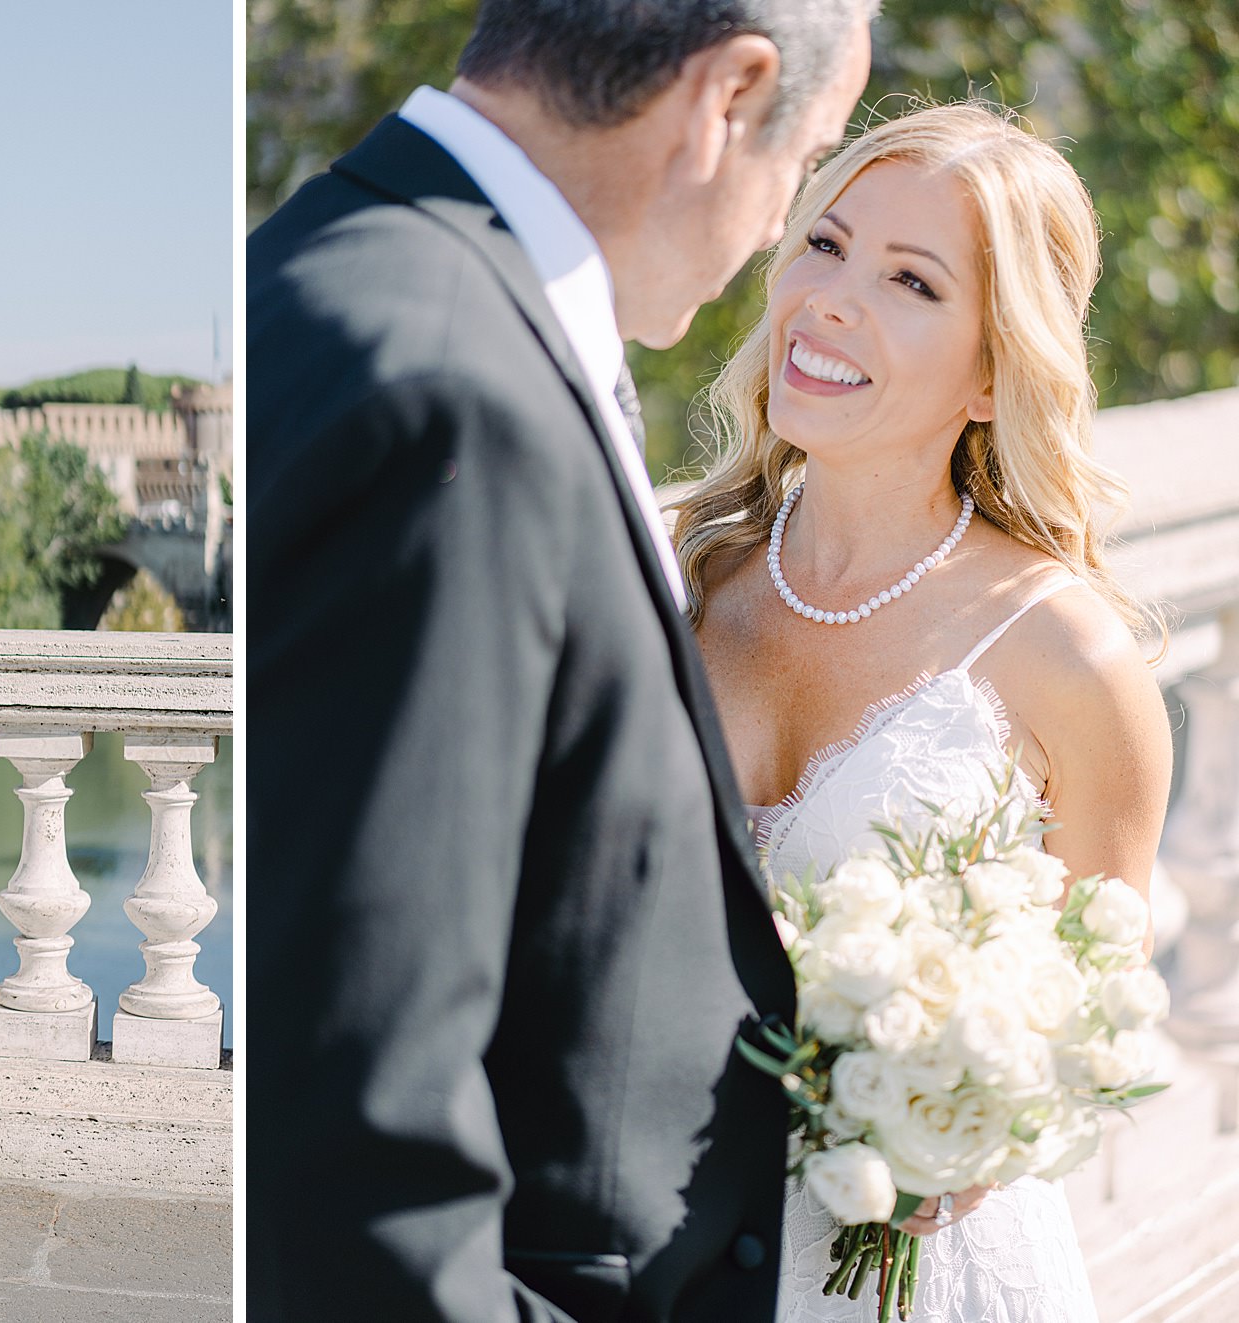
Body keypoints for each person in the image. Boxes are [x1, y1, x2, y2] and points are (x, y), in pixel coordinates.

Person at [249, 2, 875, 1318]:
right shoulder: (447, 387)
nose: (780, 229)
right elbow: (355, 1138)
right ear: (729, 94)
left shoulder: (353, 273)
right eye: (806, 156)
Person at [674, 102, 1172, 1322]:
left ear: (997, 371)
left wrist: (959, 1139)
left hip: (916, 1280)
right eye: (825, 245)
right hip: (664, 1251)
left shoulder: (1068, 658)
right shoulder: (669, 572)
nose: (831, 300)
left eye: (910, 280)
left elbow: (1094, 1016)